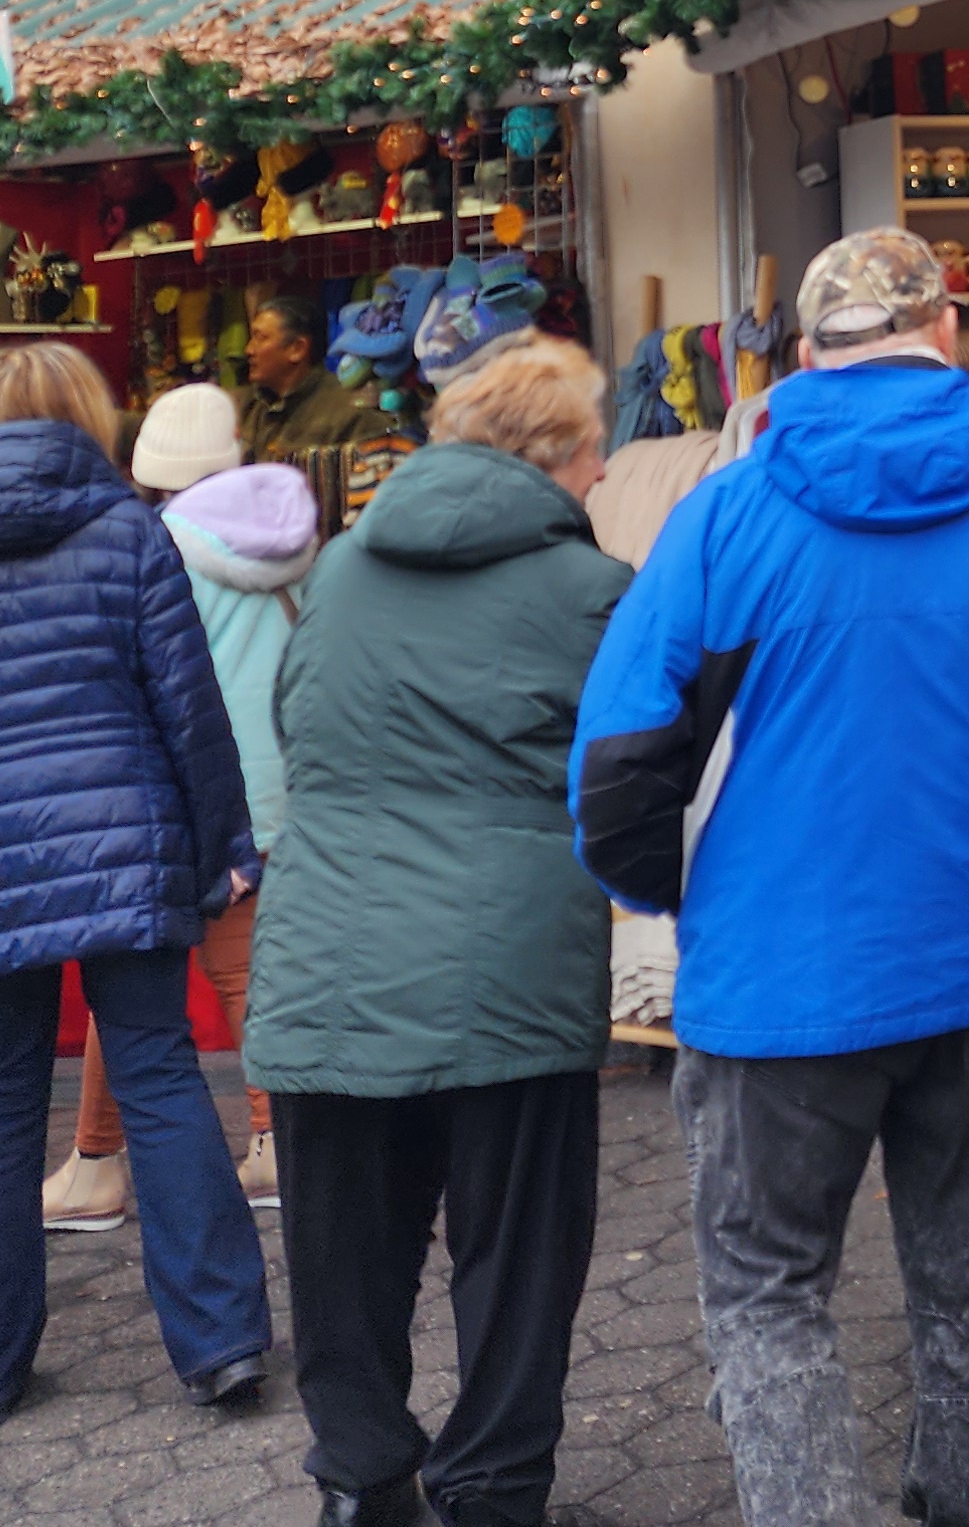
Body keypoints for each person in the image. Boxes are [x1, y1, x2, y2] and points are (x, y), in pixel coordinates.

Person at [575, 229, 969, 1527]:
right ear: (947, 331)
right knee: (967, 1280)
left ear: (804, 359)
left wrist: (677, 900)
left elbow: (621, 765)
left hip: (777, 974)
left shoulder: (728, 514)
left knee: (766, 1292)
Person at [0, 342, 270, 1430]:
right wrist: (226, 845)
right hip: (125, 842)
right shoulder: (130, 533)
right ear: (88, 418)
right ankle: (220, 1343)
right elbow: (191, 708)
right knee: (163, 1081)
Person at [252, 330, 632, 1527]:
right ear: (559, 457)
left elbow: (297, 728)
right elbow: (633, 775)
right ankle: (494, 1490)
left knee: (343, 1253)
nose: (605, 475)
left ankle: (363, 1484)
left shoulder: (346, 570)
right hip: (507, 969)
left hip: (327, 957)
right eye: (594, 452)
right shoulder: (596, 592)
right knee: (516, 1255)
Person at [46, 381, 315, 1230]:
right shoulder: (295, 537)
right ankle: (99, 1156)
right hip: (284, 788)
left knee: (149, 982)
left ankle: (267, 1146)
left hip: (193, 794)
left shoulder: (151, 549)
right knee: (217, 977)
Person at [240, 291, 380, 528]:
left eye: (260, 338)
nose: (248, 350)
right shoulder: (253, 409)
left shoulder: (352, 411)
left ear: (298, 348)